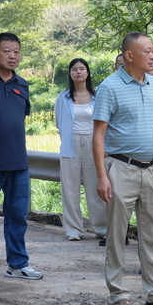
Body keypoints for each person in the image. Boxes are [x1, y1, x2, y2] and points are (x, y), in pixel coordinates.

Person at [93, 32, 153, 305]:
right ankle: (119, 294)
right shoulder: (110, 87)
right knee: (117, 235)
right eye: (147, 51)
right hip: (121, 168)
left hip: (151, 169)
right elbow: (99, 135)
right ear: (129, 56)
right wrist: (102, 176)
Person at [0, 33, 43, 280]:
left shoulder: (23, 84)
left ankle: (17, 264)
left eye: (16, 51)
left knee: (17, 216)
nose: (12, 56)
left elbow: (17, 121)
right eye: (6, 51)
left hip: (19, 163)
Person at [55, 58, 107, 242]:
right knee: (70, 189)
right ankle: (73, 230)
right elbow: (58, 122)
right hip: (71, 144)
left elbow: (104, 123)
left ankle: (101, 227)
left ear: (87, 72)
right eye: (74, 69)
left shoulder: (97, 96)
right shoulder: (63, 97)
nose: (78, 72)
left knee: (96, 188)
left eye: (82, 69)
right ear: (70, 73)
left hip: (94, 144)